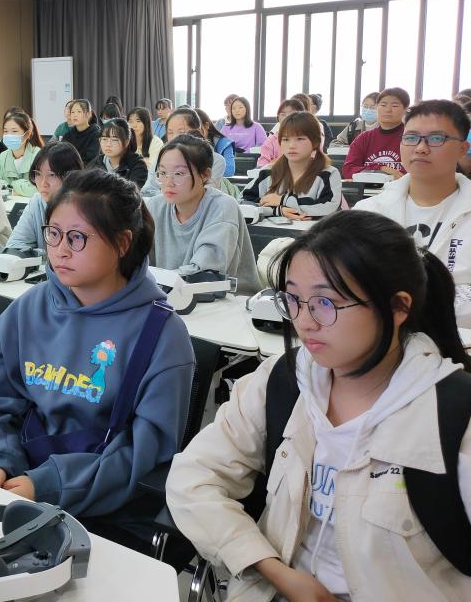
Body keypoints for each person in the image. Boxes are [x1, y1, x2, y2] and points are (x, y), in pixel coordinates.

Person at [167, 210, 471, 602]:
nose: (305, 321)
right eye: (293, 299)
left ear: (398, 308)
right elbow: (194, 476)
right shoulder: (283, 382)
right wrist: (273, 570)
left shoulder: (453, 418)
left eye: (326, 302)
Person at [0, 169, 194, 533]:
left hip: (100, 507)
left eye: (77, 237)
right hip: (11, 484)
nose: (61, 250)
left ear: (122, 243)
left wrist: (48, 485)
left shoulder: (162, 334)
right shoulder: (29, 308)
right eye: (53, 234)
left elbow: (145, 451)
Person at [356, 99, 471, 326]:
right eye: (410, 138)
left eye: (436, 138)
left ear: (462, 148)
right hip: (385, 336)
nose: (420, 148)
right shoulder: (367, 212)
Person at [146, 135, 260, 293]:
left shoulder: (222, 208)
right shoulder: (154, 206)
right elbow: (136, 262)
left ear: (205, 174)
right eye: (163, 173)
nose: (168, 182)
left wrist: (152, 279)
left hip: (226, 301)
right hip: (169, 296)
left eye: (179, 174)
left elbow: (204, 274)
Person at [242, 112, 343, 220]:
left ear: (315, 142)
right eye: (285, 139)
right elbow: (243, 203)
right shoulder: (268, 172)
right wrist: (277, 211)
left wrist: (283, 201)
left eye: (300, 139)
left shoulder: (328, 173)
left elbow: (330, 208)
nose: (291, 145)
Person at [5, 142, 84, 255]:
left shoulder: (86, 208)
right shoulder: (38, 201)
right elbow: (14, 246)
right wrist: (45, 257)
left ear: (71, 176)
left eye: (51, 175)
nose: (43, 183)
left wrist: (36, 255)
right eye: (38, 174)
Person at [140, 109, 228, 198]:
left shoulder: (216, 161)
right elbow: (148, 190)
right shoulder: (162, 156)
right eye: (170, 132)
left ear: (197, 131)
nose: (174, 138)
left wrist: (168, 196)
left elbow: (205, 195)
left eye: (181, 132)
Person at [342, 87, 409, 179]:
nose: (388, 110)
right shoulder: (364, 138)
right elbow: (348, 170)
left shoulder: (412, 138)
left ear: (405, 109)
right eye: (383, 105)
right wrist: (380, 168)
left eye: (394, 106)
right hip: (367, 187)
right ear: (377, 107)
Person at [0, 111, 43, 196]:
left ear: (27, 134)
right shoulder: (3, 156)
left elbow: (38, 187)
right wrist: (18, 190)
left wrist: (12, 185)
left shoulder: (38, 155)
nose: (9, 135)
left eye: (14, 131)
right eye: (5, 131)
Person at [88, 119, 148, 188]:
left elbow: (132, 191)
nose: (108, 144)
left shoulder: (137, 164)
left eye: (114, 140)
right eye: (104, 139)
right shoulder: (95, 163)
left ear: (126, 142)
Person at [257, 98, 307, 166]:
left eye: (292, 114)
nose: (287, 117)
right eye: (283, 114)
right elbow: (262, 166)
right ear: (278, 118)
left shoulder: (308, 138)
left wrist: (277, 162)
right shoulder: (271, 140)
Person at [196, 109, 237, 177]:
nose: (193, 132)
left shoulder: (224, 143)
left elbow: (229, 171)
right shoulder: (184, 144)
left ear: (206, 125)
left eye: (197, 127)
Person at [62, 99, 102, 164]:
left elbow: (91, 159)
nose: (75, 115)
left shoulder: (96, 134)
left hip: (89, 169)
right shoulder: (67, 135)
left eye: (79, 111)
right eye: (72, 112)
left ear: (88, 114)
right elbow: (61, 156)